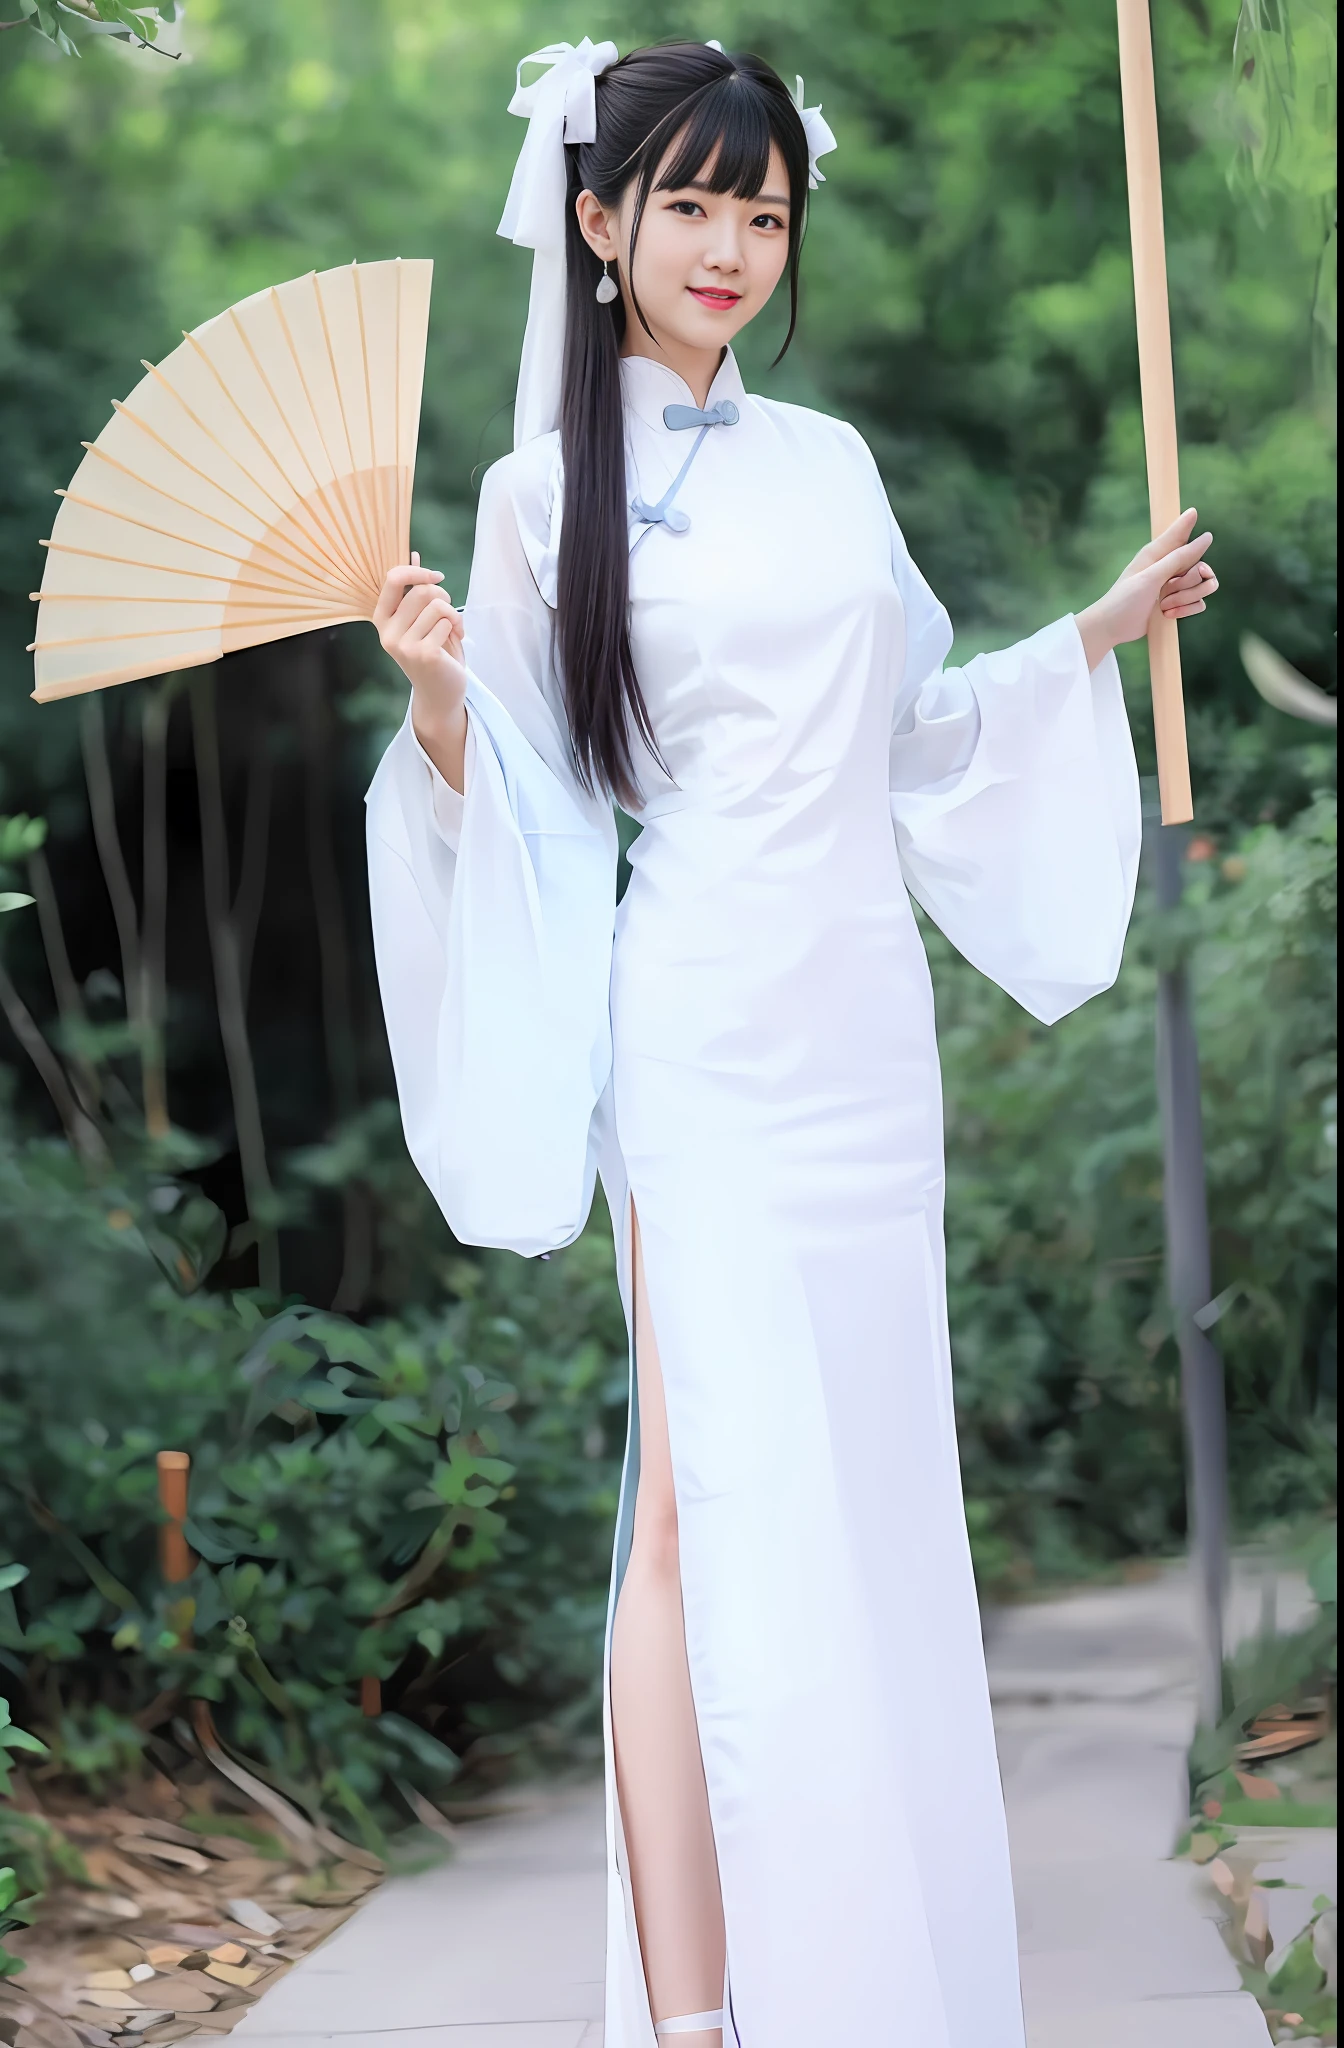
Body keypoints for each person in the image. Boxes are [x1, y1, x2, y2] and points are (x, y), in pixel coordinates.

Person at [363, 38, 1218, 2048]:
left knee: (863, 1488)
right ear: (598, 222)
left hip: (862, 1035)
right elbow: (542, 815)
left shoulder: (830, 463)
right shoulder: (529, 496)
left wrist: (1095, 632)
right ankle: (691, 2014)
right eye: (692, 204)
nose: (735, 244)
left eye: (765, 209)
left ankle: (871, 1968)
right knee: (688, 1500)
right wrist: (430, 703)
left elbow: (910, 738)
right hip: (702, 1032)